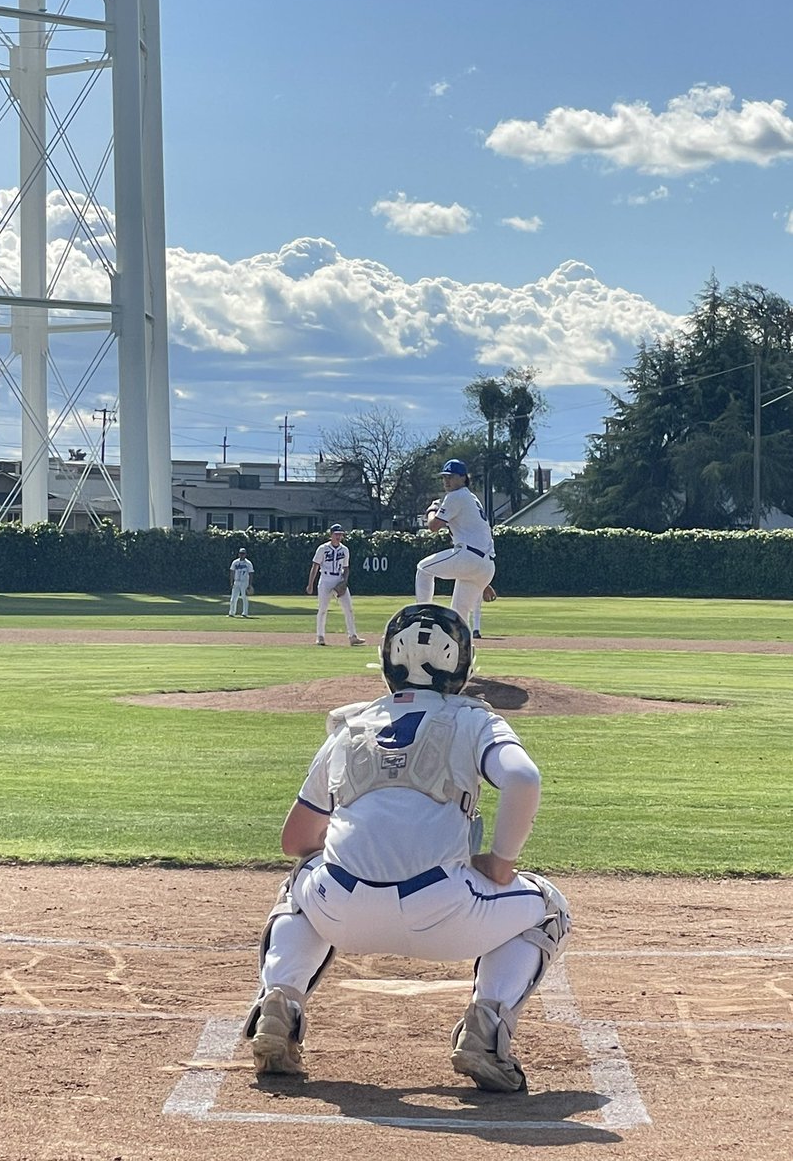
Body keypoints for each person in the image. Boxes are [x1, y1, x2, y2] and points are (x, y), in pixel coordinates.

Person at [244, 603, 570, 1092]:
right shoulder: (474, 721)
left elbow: (295, 841)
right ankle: (486, 1031)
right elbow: (523, 778)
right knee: (549, 909)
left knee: (302, 881)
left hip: (341, 913)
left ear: (387, 662)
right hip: (445, 915)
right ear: (461, 666)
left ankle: (280, 1004)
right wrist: (501, 863)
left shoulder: (350, 725)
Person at [416, 459, 496, 627]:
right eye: (444, 477)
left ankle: (423, 614)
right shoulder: (472, 498)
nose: (447, 480)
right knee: (458, 619)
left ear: (463, 478)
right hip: (486, 566)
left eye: (451, 476)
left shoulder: (456, 496)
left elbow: (433, 526)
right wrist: (483, 580)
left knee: (423, 568)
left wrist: (431, 510)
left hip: (469, 557)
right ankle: (462, 644)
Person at [306, 525, 365, 646]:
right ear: (331, 535)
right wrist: (310, 584)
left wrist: (344, 582)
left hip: (339, 578)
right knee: (323, 609)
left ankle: (353, 636)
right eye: (336, 534)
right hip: (326, 579)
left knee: (348, 609)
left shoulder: (345, 550)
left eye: (340, 534)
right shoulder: (323, 548)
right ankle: (320, 636)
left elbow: (346, 568)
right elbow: (315, 566)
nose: (338, 536)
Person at [228, 547, 254, 617]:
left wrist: (250, 584)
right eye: (240, 553)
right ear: (238, 554)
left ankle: (245, 613)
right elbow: (232, 572)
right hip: (236, 581)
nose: (241, 555)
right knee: (233, 598)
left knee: (244, 598)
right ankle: (231, 613)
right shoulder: (235, 562)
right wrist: (231, 582)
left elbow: (251, 573)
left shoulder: (248, 563)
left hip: (244, 582)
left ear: (245, 554)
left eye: (243, 553)